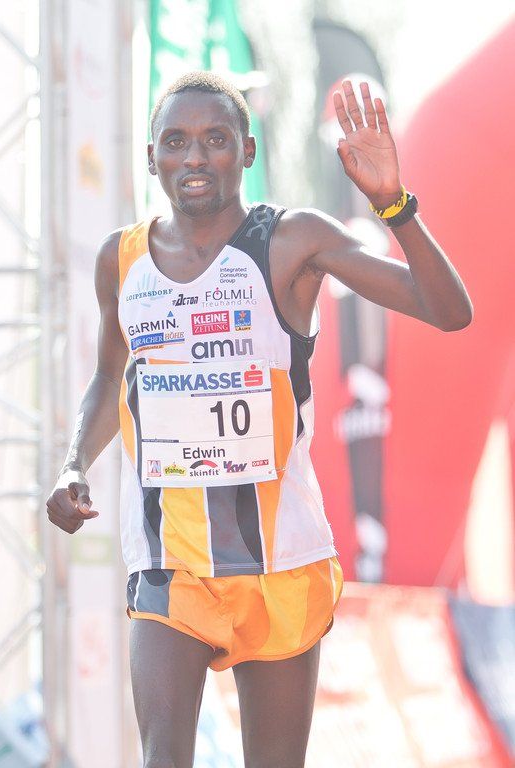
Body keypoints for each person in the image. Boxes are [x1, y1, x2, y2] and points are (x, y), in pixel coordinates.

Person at [46, 71, 472, 768]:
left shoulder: (292, 241)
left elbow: (448, 310)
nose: (194, 157)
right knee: (162, 758)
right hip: (170, 560)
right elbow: (109, 375)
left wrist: (393, 204)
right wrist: (72, 464)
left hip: (282, 559)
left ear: (247, 150)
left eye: (216, 139)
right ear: (151, 157)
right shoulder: (121, 261)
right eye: (176, 142)